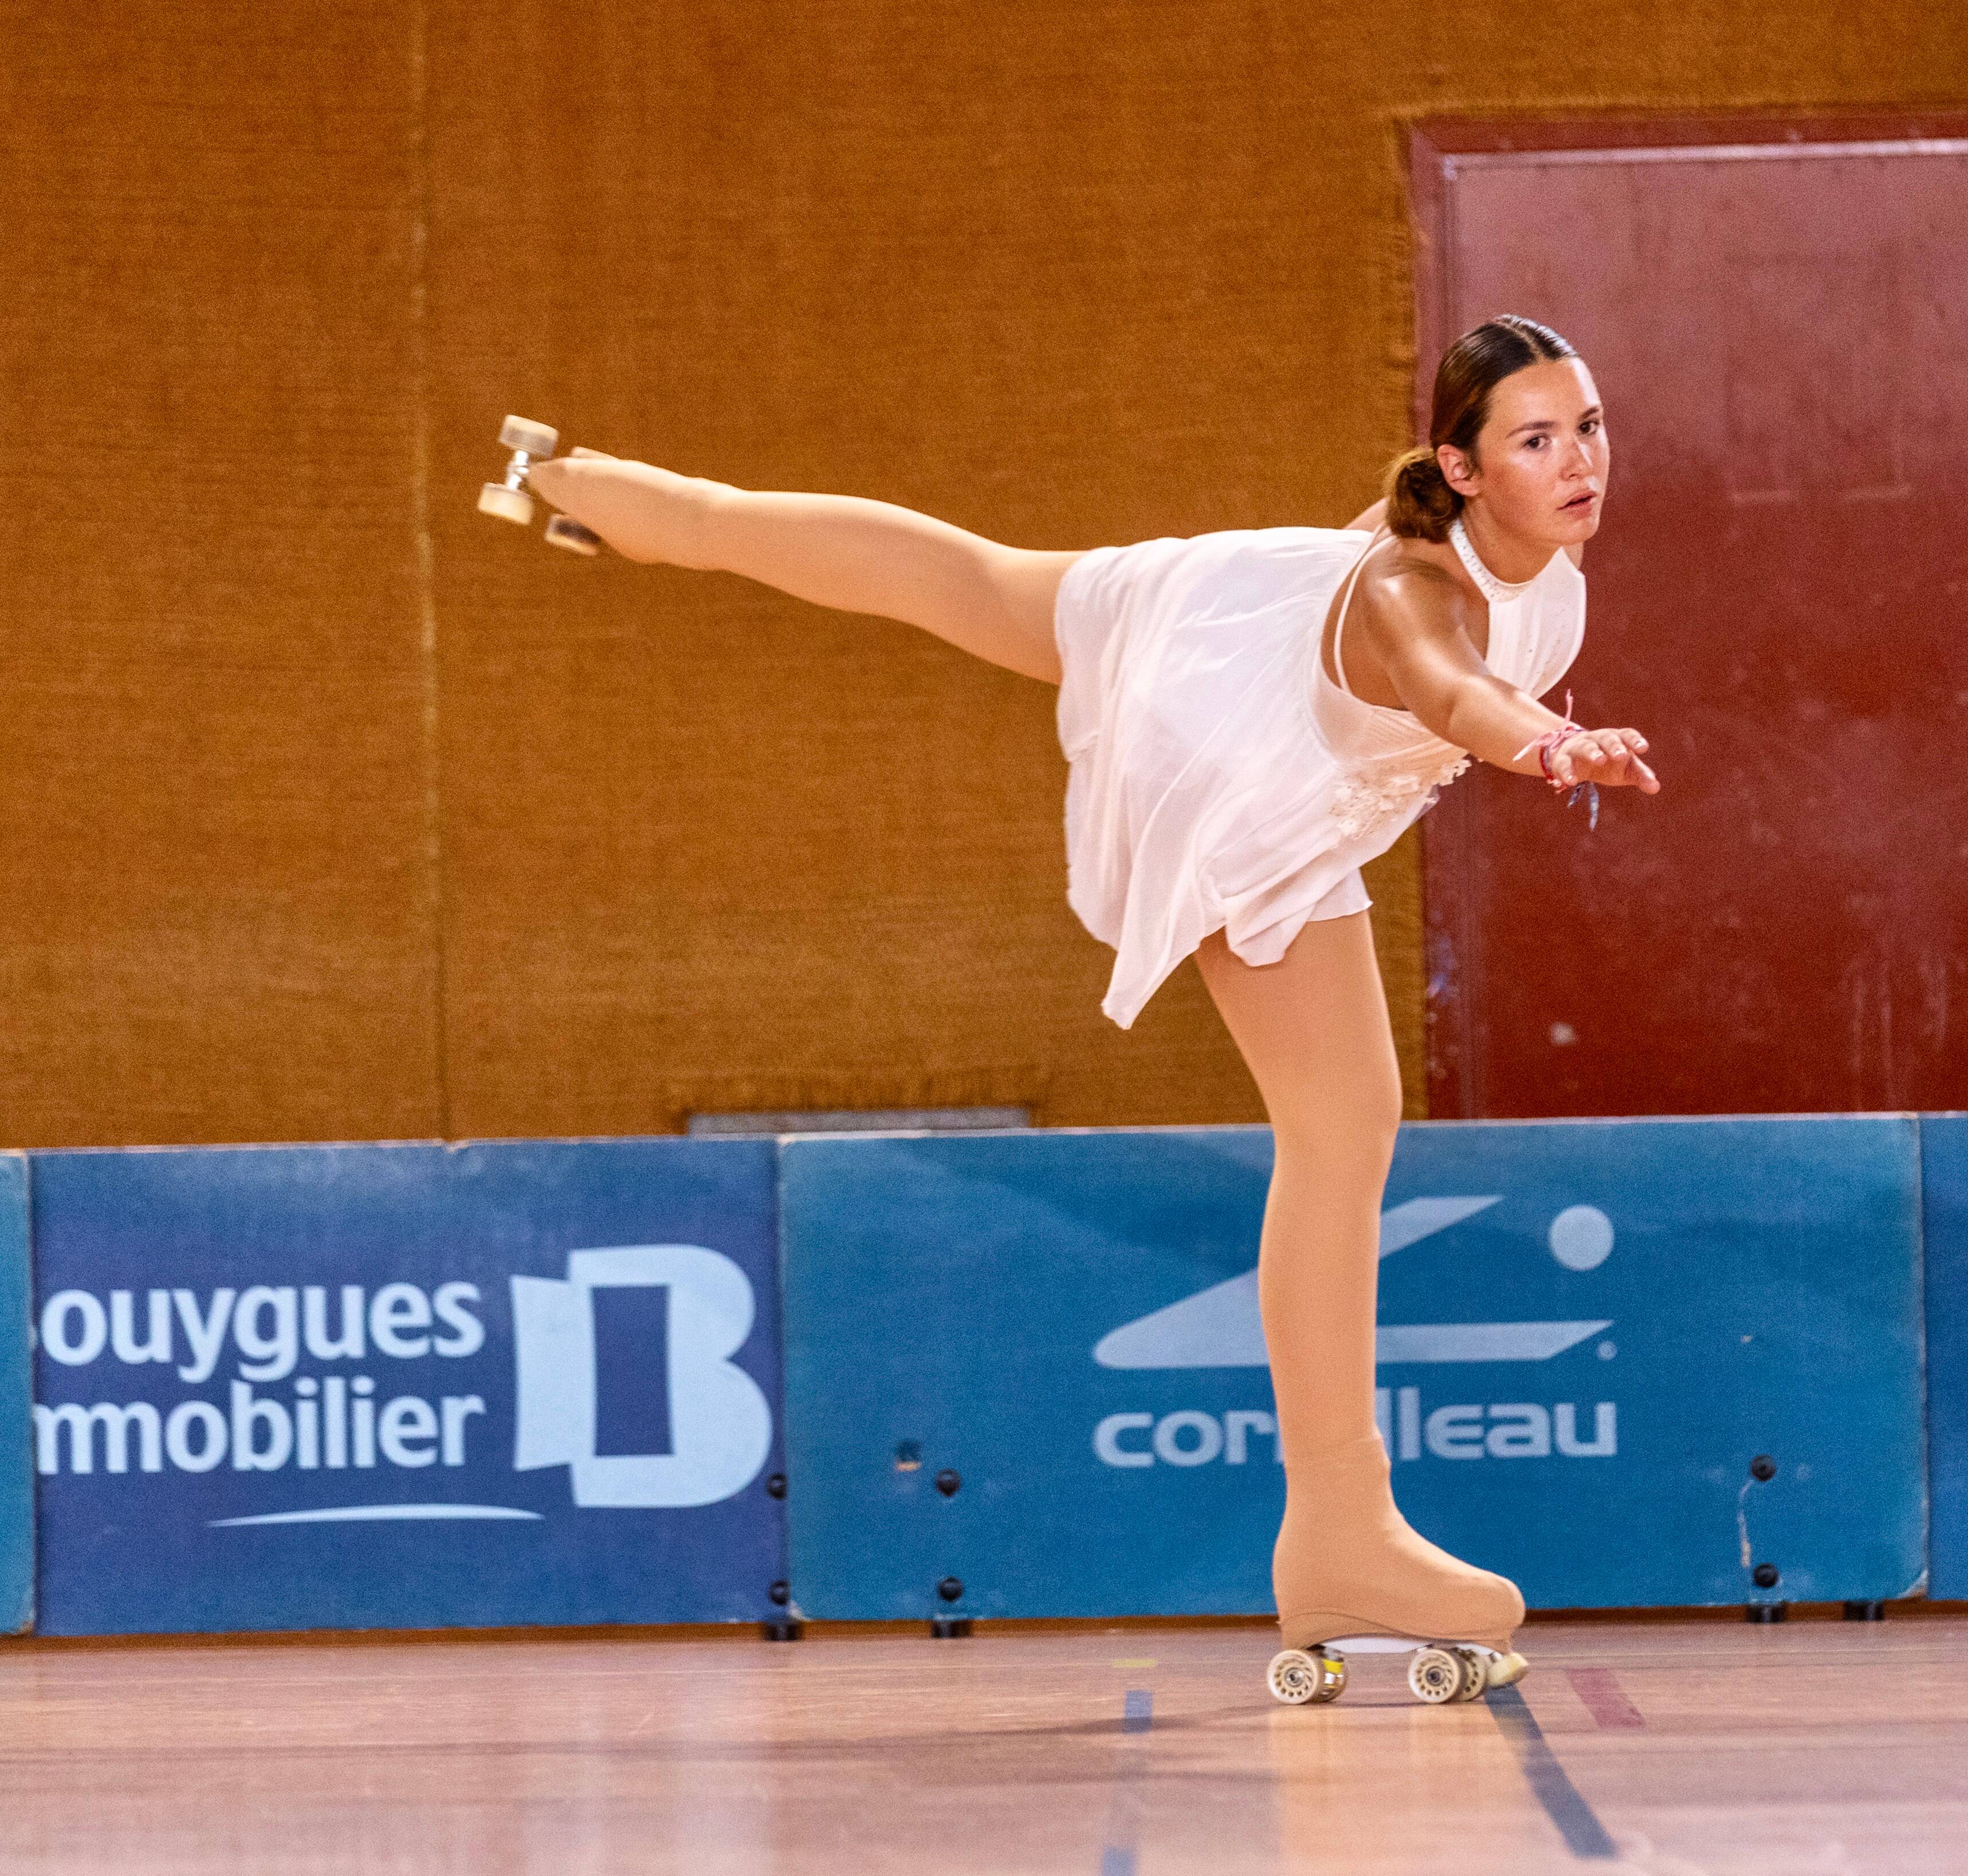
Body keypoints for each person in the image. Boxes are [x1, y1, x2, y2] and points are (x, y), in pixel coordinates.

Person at [521, 314, 1657, 1700]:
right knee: (1342, 1126)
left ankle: (619, 501)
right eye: (1537, 440)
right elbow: (1449, 683)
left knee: (977, 581)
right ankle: (1340, 1528)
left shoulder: (1520, 560)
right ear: (1463, 470)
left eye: (1588, 426)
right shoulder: (1416, 596)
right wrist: (1552, 742)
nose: (1580, 460)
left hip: (1236, 633)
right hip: (1226, 752)